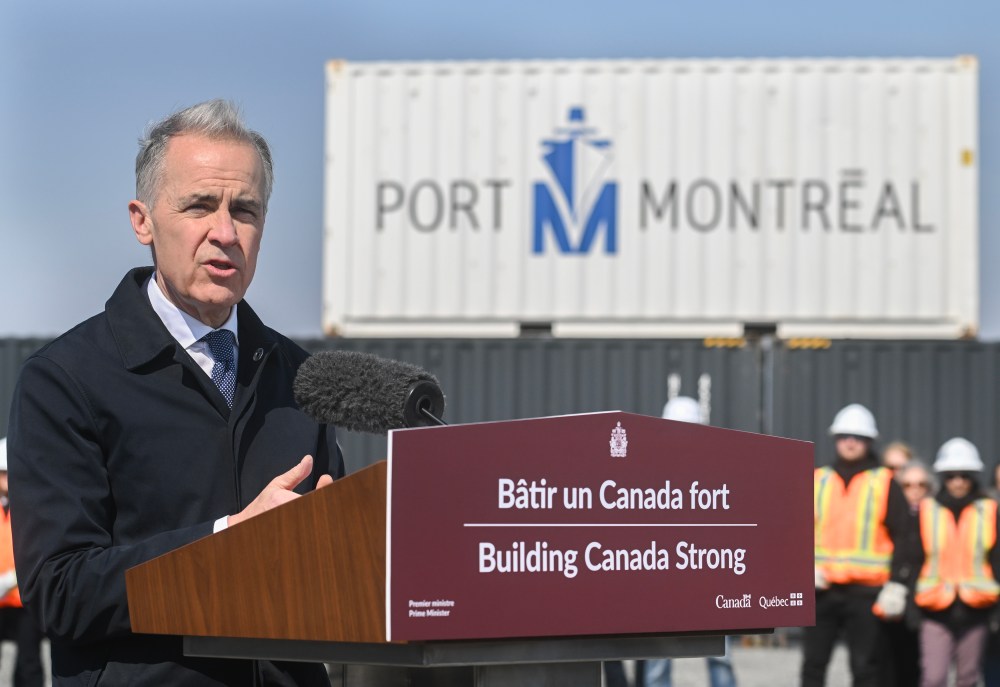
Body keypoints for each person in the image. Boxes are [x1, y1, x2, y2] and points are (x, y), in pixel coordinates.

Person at [6, 100, 344, 686]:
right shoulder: (64, 380)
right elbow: (60, 592)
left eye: (245, 210)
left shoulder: (300, 378)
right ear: (142, 221)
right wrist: (228, 545)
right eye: (199, 206)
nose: (225, 232)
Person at [803, 403, 915, 687]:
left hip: (867, 593)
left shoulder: (884, 481)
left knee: (865, 668)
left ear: (869, 441)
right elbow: (795, 531)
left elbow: (904, 536)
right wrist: (801, 569)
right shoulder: (818, 479)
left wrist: (897, 584)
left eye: (858, 437)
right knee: (813, 666)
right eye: (844, 436)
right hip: (821, 589)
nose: (850, 442)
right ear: (835, 438)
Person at [644, 396, 738, 687]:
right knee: (657, 661)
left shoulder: (718, 472)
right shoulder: (649, 473)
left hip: (709, 576)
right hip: (661, 576)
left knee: (720, 657)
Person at [912, 438, 1000, 687]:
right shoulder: (927, 510)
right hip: (935, 609)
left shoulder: (989, 510)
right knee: (934, 678)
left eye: (964, 475)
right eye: (951, 476)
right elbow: (913, 558)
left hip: (976, 609)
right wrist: (910, 606)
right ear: (943, 477)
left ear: (973, 476)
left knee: (968, 679)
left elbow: (997, 560)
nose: (958, 482)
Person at [884, 459, 934, 687]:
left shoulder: (937, 518)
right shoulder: (887, 517)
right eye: (907, 485)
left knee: (920, 667)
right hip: (891, 599)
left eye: (921, 485)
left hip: (925, 601)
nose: (915, 491)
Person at [0, 438, 45, 687]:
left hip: (23, 596)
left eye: (9, 472)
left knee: (29, 663)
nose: (7, 478)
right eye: (3, 472)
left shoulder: (30, 506)